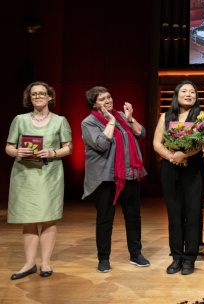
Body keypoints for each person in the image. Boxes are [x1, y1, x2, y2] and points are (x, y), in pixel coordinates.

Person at [6, 82, 72, 280]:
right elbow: (8, 147)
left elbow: (68, 148)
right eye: (34, 94)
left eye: (42, 93)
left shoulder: (60, 121)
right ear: (29, 98)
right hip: (24, 174)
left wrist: (52, 152)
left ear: (50, 97)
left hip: (48, 173)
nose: (38, 97)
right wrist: (16, 151)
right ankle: (29, 264)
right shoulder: (19, 120)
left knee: (48, 217)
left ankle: (45, 263)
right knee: (28, 218)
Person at [82, 86, 149, 273]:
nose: (108, 101)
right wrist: (111, 121)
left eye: (109, 97)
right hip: (106, 178)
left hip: (129, 175)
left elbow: (140, 133)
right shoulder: (89, 123)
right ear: (94, 105)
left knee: (133, 217)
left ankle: (136, 254)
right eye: (102, 99)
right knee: (105, 219)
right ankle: (103, 258)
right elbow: (102, 144)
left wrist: (130, 119)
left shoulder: (121, 116)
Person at [153, 81, 204, 275]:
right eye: (184, 91)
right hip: (171, 168)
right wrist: (171, 157)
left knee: (193, 214)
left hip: (194, 169)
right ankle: (176, 257)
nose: (188, 94)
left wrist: (184, 155)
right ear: (176, 95)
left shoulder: (202, 116)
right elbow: (156, 143)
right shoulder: (166, 116)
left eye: (192, 92)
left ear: (196, 96)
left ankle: (190, 258)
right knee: (174, 215)